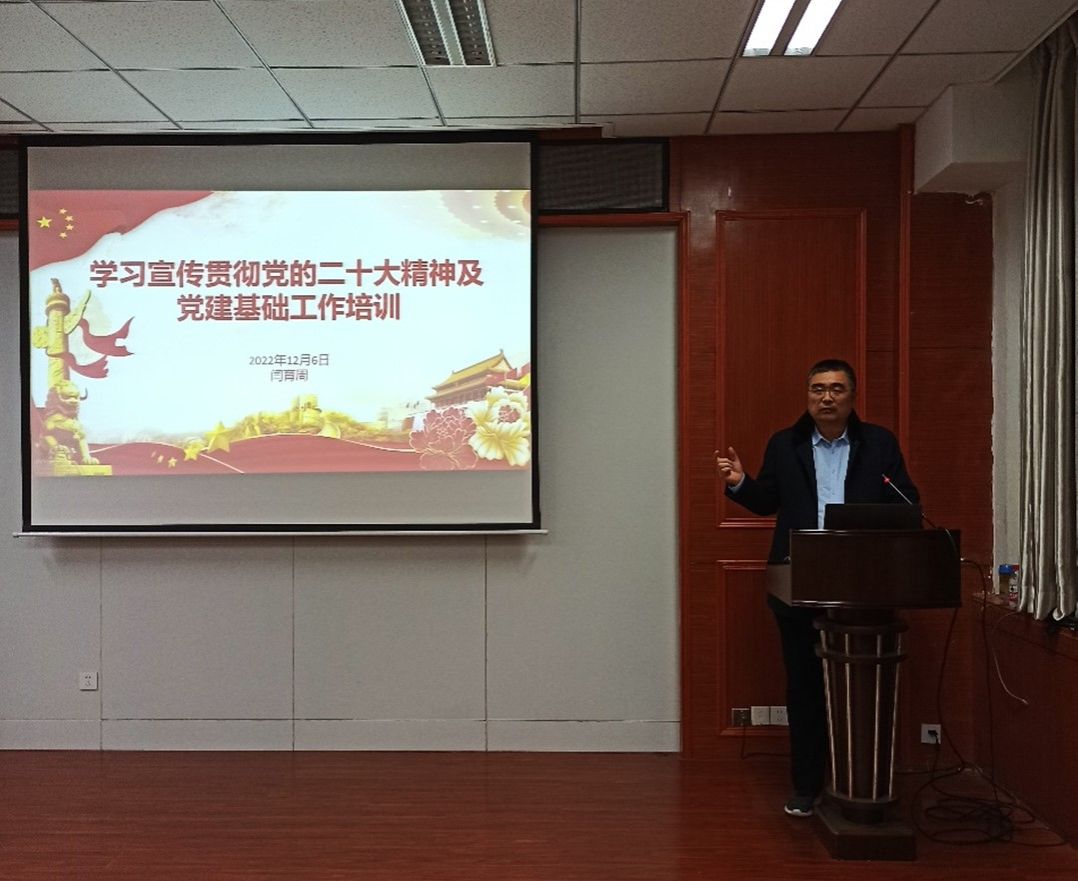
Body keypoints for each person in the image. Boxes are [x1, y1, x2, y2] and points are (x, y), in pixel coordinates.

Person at [715, 358, 918, 818]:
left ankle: (860, 782)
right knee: (804, 687)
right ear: (807, 395)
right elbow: (767, 502)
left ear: (852, 396)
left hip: (863, 585)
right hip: (798, 583)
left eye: (836, 389)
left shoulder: (879, 444)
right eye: (818, 389)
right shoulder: (785, 444)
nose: (826, 397)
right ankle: (806, 785)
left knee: (861, 688)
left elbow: (905, 501)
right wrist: (740, 483)